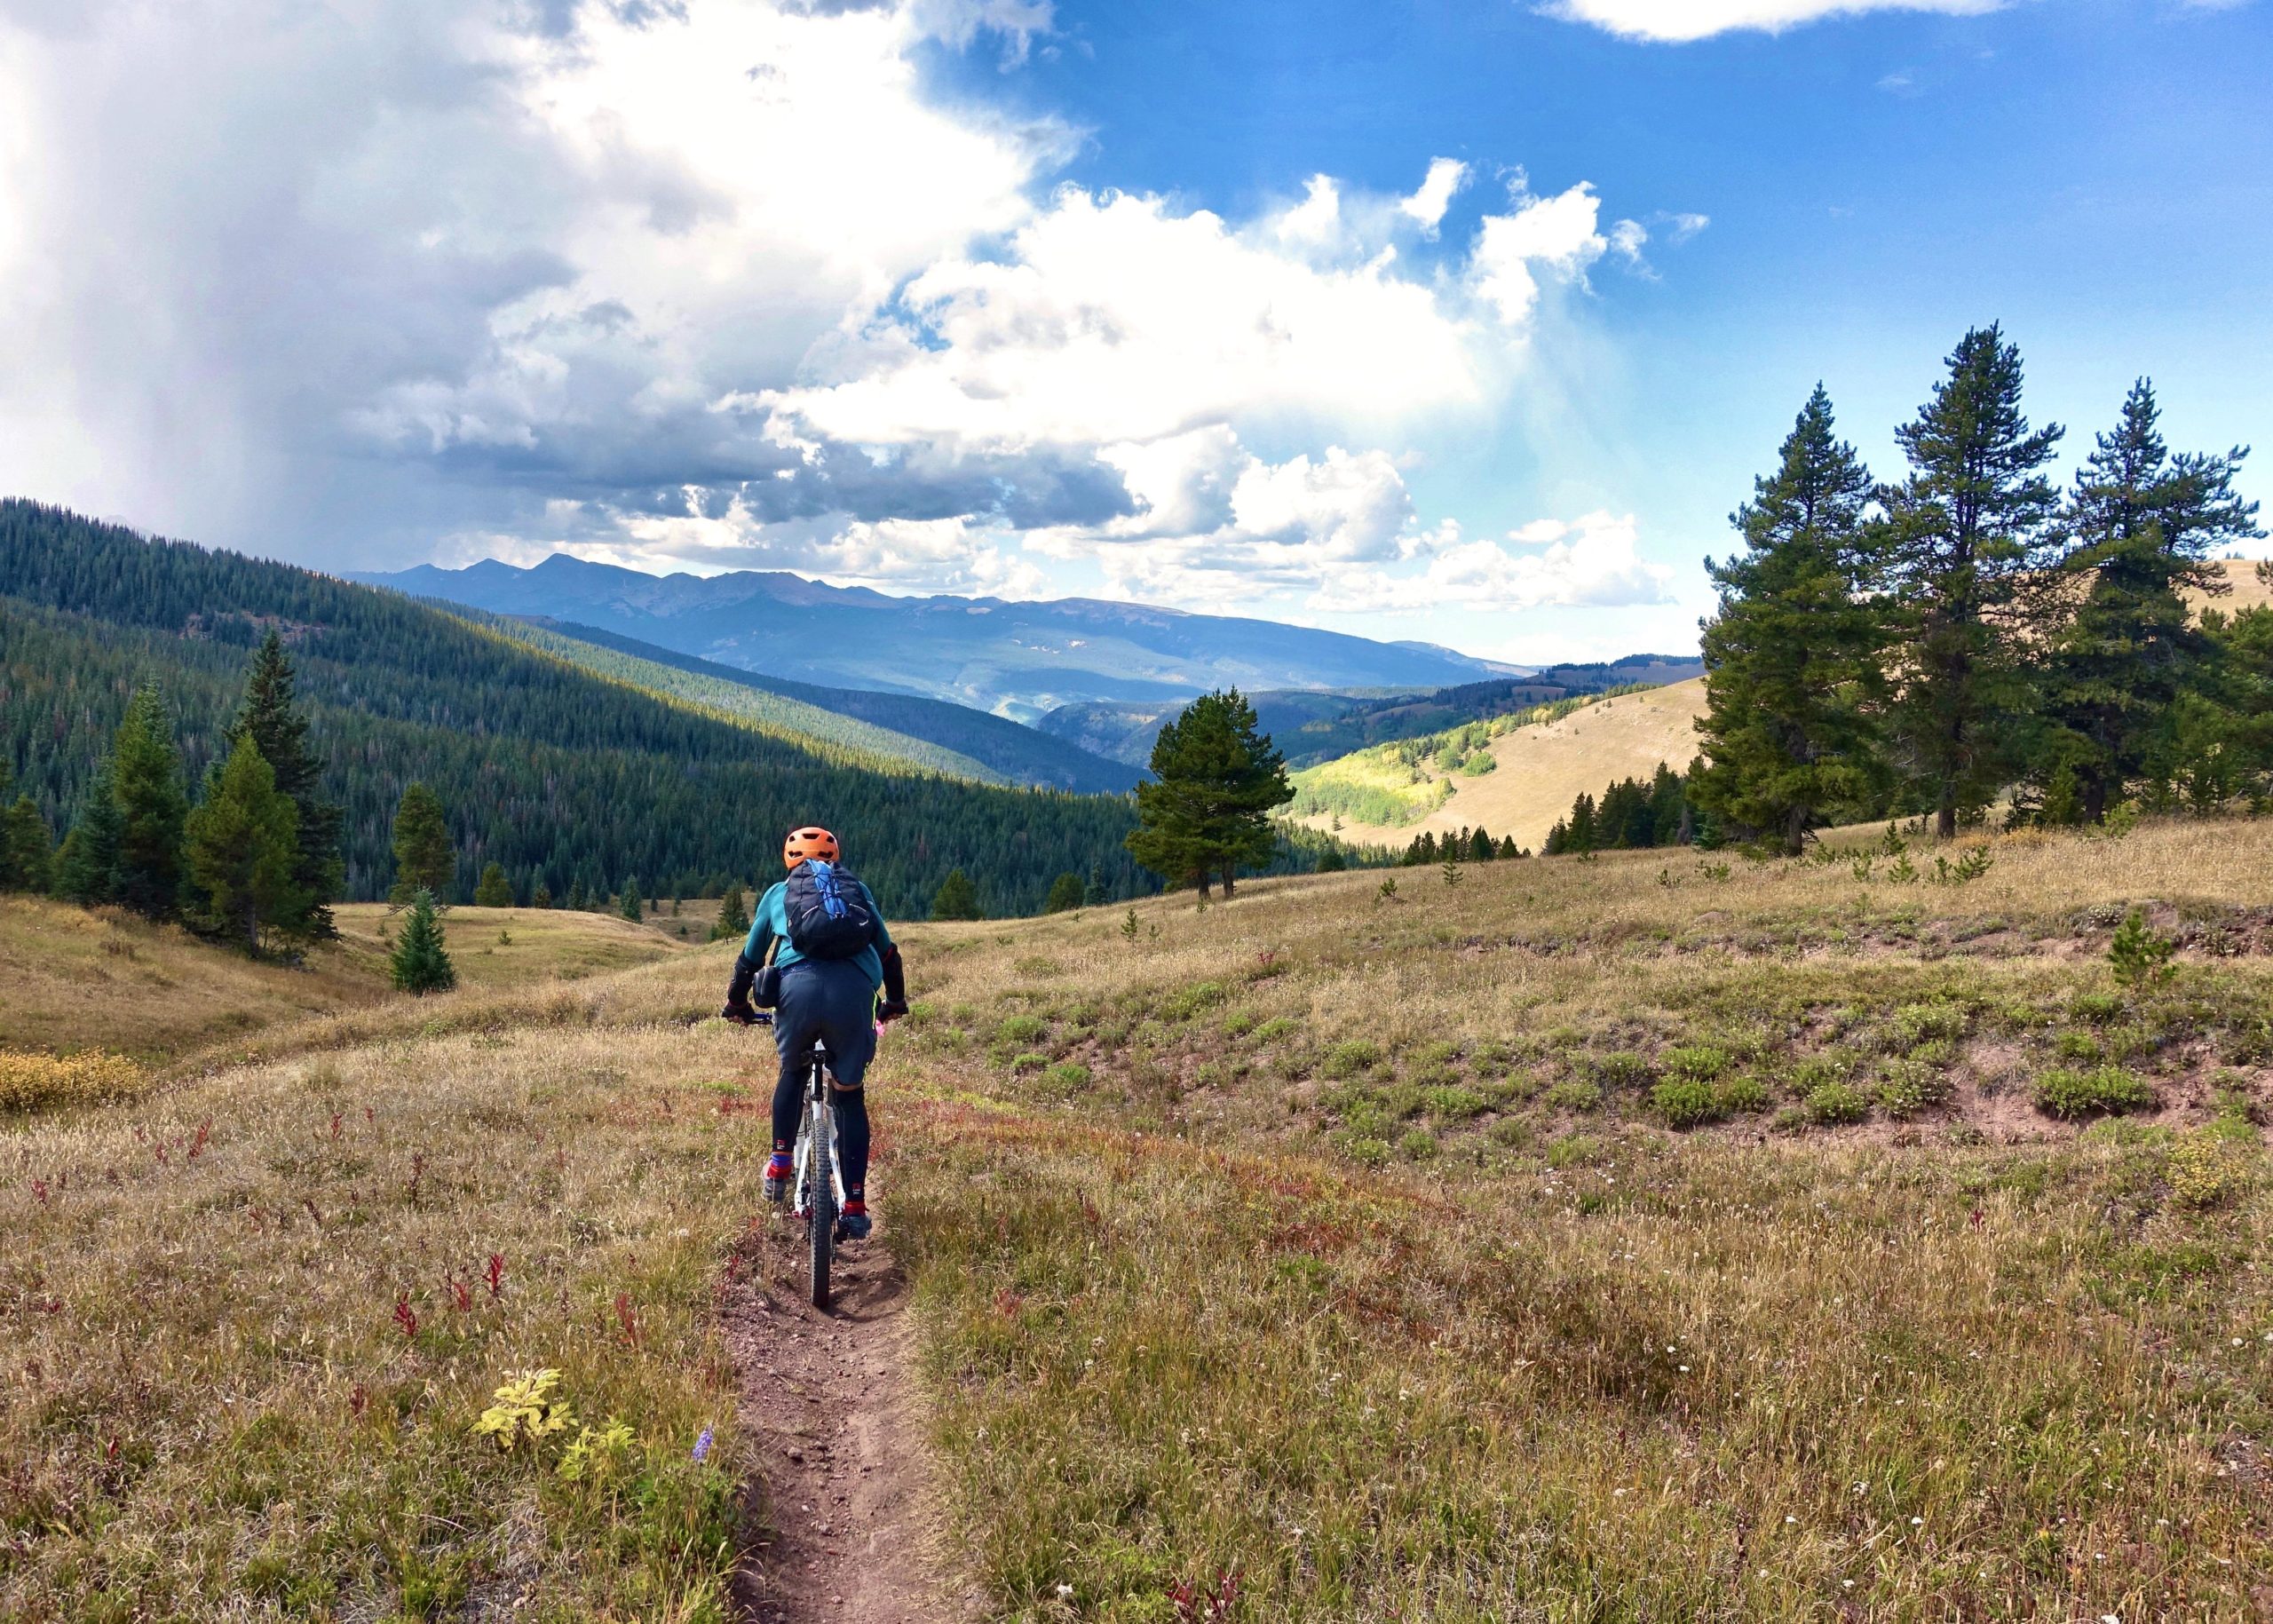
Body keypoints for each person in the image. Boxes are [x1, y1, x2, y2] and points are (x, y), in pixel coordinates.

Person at [721, 826, 908, 1240]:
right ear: (834, 859)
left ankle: (780, 1164)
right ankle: (856, 1204)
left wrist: (736, 1004)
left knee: (791, 1071)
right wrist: (894, 1001)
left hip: (797, 993)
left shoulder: (778, 894)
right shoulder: (857, 891)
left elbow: (749, 960)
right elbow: (889, 955)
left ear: (791, 861)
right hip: (854, 994)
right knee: (850, 1093)